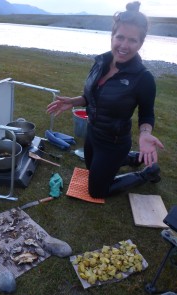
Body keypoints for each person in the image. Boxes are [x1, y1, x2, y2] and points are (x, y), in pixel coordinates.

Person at [47, 1, 164, 198]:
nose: (124, 46)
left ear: (141, 43)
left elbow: (147, 113)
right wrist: (74, 101)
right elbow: (93, 95)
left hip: (114, 142)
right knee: (92, 169)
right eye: (120, 37)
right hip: (93, 133)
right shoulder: (101, 62)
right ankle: (134, 158)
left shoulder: (143, 78)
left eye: (132, 40)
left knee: (97, 191)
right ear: (112, 36)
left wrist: (144, 134)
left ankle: (147, 173)